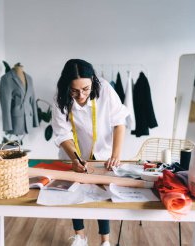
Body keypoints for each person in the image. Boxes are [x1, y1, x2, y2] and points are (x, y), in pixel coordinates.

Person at [52, 59, 129, 246]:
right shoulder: (60, 98)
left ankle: (105, 241)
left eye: (85, 89)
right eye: (75, 90)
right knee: (74, 195)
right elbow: (62, 133)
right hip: (74, 153)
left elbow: (119, 122)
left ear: (93, 82)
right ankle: (80, 237)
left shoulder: (105, 89)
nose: (81, 95)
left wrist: (116, 155)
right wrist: (74, 158)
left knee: (102, 195)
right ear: (66, 87)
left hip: (102, 152)